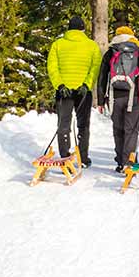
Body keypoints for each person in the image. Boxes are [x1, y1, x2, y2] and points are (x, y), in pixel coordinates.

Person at [97, 25, 139, 172]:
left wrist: (100, 100)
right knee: (132, 129)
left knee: (118, 129)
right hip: (135, 96)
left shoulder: (111, 52)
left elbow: (102, 77)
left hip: (114, 97)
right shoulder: (138, 51)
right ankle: (129, 162)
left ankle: (121, 162)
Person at [46, 16, 102, 166]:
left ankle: (65, 157)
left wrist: (60, 85)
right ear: (83, 29)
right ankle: (83, 158)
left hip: (64, 91)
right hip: (83, 91)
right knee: (83, 125)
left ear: (68, 29)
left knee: (63, 124)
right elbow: (95, 67)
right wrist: (87, 84)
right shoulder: (92, 46)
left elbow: (52, 67)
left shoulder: (57, 44)